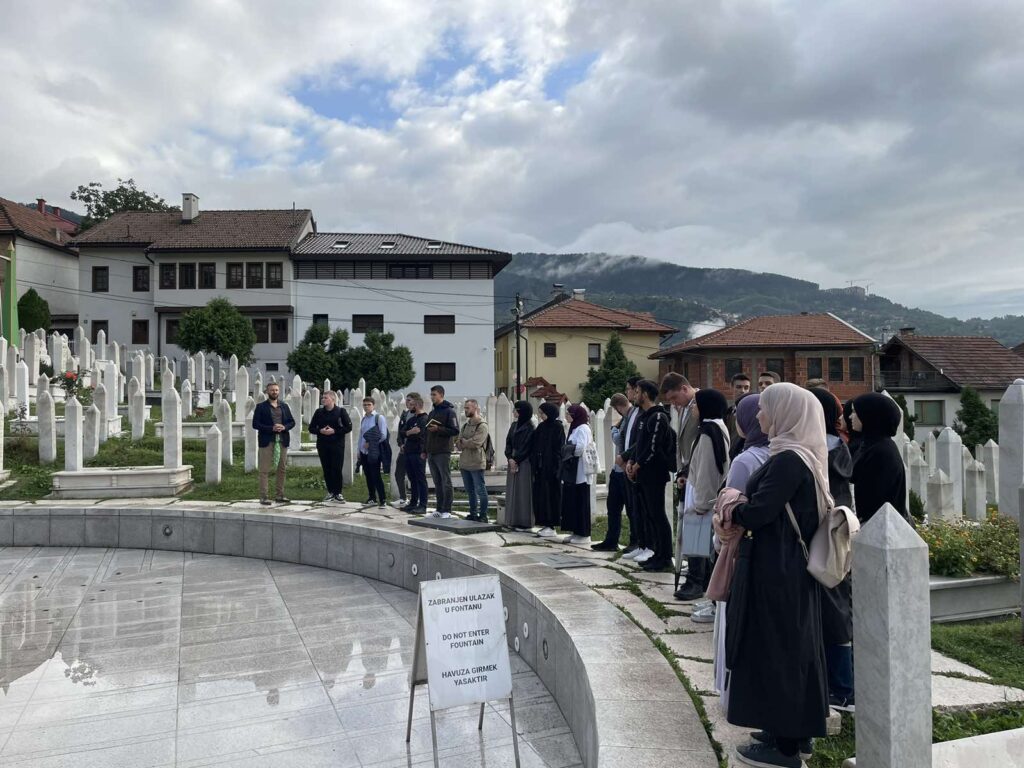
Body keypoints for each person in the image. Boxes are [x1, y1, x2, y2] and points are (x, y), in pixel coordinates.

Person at [715, 383, 830, 767]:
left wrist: (732, 506)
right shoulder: (800, 456)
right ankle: (787, 727)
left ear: (785, 414)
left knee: (779, 650)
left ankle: (785, 747)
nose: (760, 416)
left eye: (766, 408)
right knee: (786, 647)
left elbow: (760, 513)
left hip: (777, 569)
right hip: (784, 566)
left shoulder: (789, 461)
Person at [713, 392, 771, 711]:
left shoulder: (745, 460)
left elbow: (729, 508)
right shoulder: (779, 452)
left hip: (737, 547)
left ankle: (730, 691)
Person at [809, 387, 855, 712]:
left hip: (825, 536)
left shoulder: (819, 450)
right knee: (835, 609)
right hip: (836, 534)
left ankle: (842, 687)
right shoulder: (838, 447)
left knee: (833, 611)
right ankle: (840, 683)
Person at [677, 388, 731, 605]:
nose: (693, 409)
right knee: (699, 542)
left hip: (703, 500)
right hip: (700, 493)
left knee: (698, 544)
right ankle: (701, 581)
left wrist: (701, 503)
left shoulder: (709, 433)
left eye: (696, 405)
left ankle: (696, 583)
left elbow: (708, 470)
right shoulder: (711, 428)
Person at [624, 380, 675, 571]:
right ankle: (656, 553)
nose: (635, 395)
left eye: (637, 392)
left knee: (658, 515)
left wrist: (638, 464)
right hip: (642, 475)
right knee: (648, 515)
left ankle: (665, 556)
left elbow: (653, 446)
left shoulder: (659, 417)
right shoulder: (644, 417)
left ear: (645, 394)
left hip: (654, 474)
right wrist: (631, 461)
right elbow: (639, 444)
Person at [656, 372, 699, 585]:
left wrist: (689, 469)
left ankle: (697, 576)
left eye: (674, 398)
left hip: (698, 474)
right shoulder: (683, 408)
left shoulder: (700, 405)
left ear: (684, 388)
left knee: (697, 527)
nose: (673, 403)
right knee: (687, 525)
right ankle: (692, 568)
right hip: (686, 475)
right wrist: (681, 471)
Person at [850, 392, 907, 522]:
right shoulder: (870, 445)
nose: (850, 416)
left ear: (869, 415)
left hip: (880, 525)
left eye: (855, 412)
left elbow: (875, 500)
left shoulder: (881, 452)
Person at [592, 393, 631, 551]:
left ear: (617, 408)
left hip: (624, 469)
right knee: (613, 507)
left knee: (630, 509)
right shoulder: (625, 418)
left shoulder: (629, 418)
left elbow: (619, 439)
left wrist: (614, 430)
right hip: (617, 470)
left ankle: (634, 541)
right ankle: (611, 540)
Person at [252, 382, 296, 505]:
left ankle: (280, 495)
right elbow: (255, 424)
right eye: (272, 390)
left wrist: (284, 427)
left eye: (276, 390)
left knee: (282, 469)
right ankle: (264, 496)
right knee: (264, 470)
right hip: (267, 441)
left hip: (282, 440)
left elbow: (292, 422)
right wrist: (271, 428)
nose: (274, 392)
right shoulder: (261, 407)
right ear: (267, 392)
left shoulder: (284, 406)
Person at [309, 390, 353, 503]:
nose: (323, 399)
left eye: (325, 398)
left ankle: (338, 493)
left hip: (337, 445)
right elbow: (311, 428)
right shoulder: (319, 412)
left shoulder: (341, 412)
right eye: (322, 397)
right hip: (323, 444)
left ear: (333, 399)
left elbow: (348, 427)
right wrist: (321, 431)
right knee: (327, 469)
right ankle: (330, 492)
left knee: (337, 468)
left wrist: (335, 431)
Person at [560, 404, 594, 545]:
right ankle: (576, 531)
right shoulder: (574, 428)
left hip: (581, 472)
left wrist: (567, 449)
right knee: (573, 502)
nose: (567, 416)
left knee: (581, 502)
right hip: (573, 472)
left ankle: (584, 534)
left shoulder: (583, 428)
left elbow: (580, 448)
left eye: (569, 414)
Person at [531, 402, 565, 538]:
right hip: (541, 468)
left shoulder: (557, 427)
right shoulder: (541, 427)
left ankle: (551, 525)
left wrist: (555, 466)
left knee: (551, 496)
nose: (541, 415)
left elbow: (559, 448)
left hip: (551, 468)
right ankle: (544, 523)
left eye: (543, 413)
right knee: (541, 496)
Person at [424, 385, 459, 516]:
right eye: (431, 394)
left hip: (443, 451)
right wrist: (425, 450)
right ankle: (439, 509)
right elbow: (427, 433)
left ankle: (447, 510)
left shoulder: (449, 412)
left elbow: (455, 430)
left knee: (445, 481)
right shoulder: (432, 412)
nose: (432, 397)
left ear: (441, 395)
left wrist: (438, 429)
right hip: (431, 451)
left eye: (434, 394)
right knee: (437, 482)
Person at [504, 401, 535, 530]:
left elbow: (528, 446)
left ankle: (524, 522)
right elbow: (508, 442)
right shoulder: (514, 425)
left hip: (524, 462)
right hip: (513, 460)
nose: (514, 412)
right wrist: (510, 457)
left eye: (516, 410)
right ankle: (512, 519)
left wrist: (516, 460)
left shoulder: (530, 428)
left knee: (523, 491)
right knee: (512, 490)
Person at [458, 399, 490, 522]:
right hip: (464, 463)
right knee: (470, 491)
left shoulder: (482, 425)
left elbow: (476, 443)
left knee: (480, 490)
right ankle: (473, 513)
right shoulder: (465, 425)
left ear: (475, 408)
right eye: (465, 408)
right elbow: (458, 443)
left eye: (468, 408)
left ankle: (483, 515)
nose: (465, 410)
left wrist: (465, 442)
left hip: (476, 462)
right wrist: (465, 442)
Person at [399, 393, 429, 514]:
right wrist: (410, 432)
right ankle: (413, 502)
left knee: (420, 479)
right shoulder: (412, 419)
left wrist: (409, 433)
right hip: (409, 451)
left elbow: (421, 436)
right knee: (412, 479)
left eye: (411, 405)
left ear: (417, 405)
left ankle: (423, 505)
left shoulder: (425, 419)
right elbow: (402, 432)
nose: (409, 406)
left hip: (418, 452)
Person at [358, 396, 388, 509]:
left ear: (373, 405)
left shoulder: (378, 418)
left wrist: (371, 443)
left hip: (374, 451)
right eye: (364, 405)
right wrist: (358, 450)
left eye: (369, 405)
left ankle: (383, 499)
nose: (366, 407)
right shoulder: (363, 419)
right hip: (363, 451)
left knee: (376, 475)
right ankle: (372, 498)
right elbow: (361, 436)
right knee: (368, 475)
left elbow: (383, 435)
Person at [393, 397, 414, 507]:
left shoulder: (418, 415)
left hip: (413, 450)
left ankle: (415, 499)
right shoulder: (404, 414)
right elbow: (400, 432)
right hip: (403, 450)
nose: (407, 402)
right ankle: (403, 498)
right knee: (398, 474)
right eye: (407, 400)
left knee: (412, 475)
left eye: (410, 400)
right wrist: (400, 444)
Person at [725, 373, 751, 450]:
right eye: (739, 387)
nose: (742, 391)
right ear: (732, 387)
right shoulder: (728, 412)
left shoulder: (753, 412)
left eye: (746, 388)